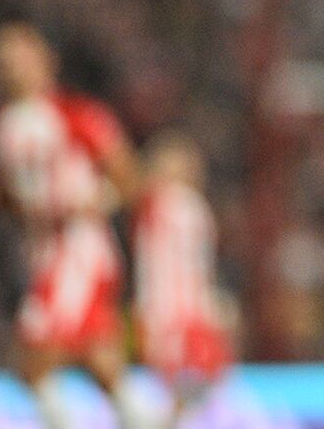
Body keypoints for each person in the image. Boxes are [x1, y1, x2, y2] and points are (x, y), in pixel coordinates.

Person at [0, 23, 149, 429]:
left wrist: (98, 201)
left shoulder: (76, 114)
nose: (10, 68)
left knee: (32, 358)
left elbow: (128, 175)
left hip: (78, 249)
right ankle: (146, 420)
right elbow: (25, 203)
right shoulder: (6, 126)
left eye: (19, 57)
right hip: (44, 252)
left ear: (46, 60)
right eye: (3, 62)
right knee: (99, 361)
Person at [133, 131, 232, 428]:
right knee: (182, 379)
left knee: (202, 376)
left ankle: (173, 420)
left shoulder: (189, 206)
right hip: (169, 311)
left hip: (187, 310)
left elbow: (199, 264)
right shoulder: (162, 203)